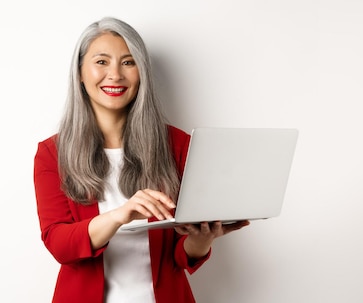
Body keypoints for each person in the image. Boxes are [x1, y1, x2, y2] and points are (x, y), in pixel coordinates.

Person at [33, 17, 250, 303]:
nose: (115, 75)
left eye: (128, 62)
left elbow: (180, 254)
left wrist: (201, 239)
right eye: (101, 62)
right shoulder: (53, 153)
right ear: (80, 73)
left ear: (141, 73)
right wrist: (121, 215)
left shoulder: (178, 144)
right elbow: (60, 244)